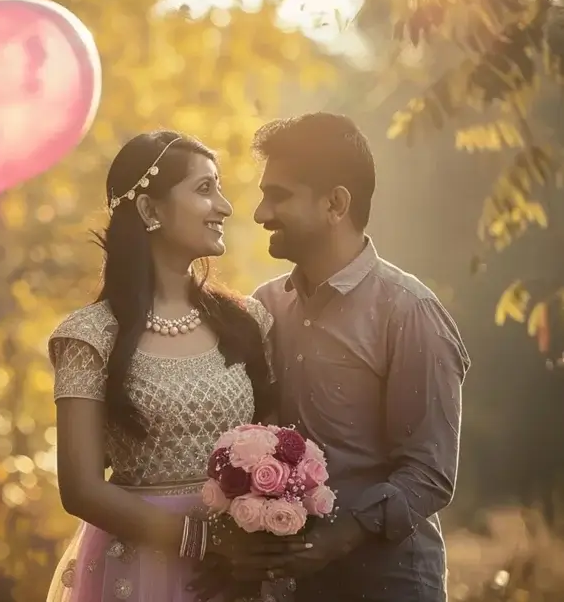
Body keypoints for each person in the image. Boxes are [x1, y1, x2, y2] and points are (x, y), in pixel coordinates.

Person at [192, 112, 471, 602]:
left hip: (387, 584)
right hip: (289, 587)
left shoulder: (409, 311)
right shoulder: (267, 306)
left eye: (278, 195)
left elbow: (430, 474)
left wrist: (339, 536)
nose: (259, 214)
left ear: (335, 204)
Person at [45, 130, 298, 601]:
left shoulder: (248, 323)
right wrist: (202, 543)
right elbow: (79, 488)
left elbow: (277, 445)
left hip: (238, 573)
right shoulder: (89, 336)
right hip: (140, 569)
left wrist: (253, 538)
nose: (224, 207)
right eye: (205, 189)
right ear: (149, 210)